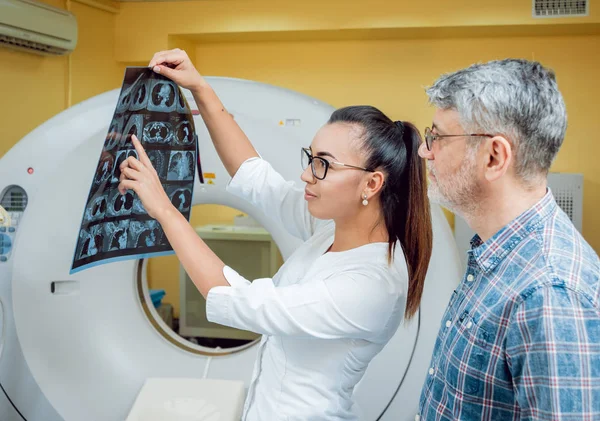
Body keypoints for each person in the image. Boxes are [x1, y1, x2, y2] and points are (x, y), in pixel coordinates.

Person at [117, 48, 433, 420]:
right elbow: (256, 178)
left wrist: (164, 209)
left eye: (323, 165)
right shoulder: (330, 229)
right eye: (310, 157)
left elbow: (242, 301)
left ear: (372, 183)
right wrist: (200, 87)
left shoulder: (372, 284)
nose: (306, 174)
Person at [417, 59, 600, 420]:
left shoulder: (549, 294)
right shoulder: (496, 254)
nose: (426, 151)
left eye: (437, 137)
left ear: (494, 156)